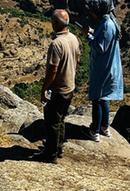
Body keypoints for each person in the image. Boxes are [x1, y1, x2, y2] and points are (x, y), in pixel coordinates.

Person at [34, 9, 80, 164]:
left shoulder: (56, 43)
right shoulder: (73, 38)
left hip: (58, 89)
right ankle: (58, 149)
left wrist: (44, 89)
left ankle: (50, 154)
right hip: (70, 87)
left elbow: (53, 69)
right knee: (61, 120)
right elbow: (78, 59)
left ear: (55, 23)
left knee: (52, 122)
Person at [80, 0, 124, 142]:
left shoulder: (107, 25)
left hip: (103, 68)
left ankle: (95, 131)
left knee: (97, 100)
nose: (92, 13)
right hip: (109, 67)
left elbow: (100, 47)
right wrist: (94, 32)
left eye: (93, 10)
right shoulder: (110, 22)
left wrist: (88, 36)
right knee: (104, 98)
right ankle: (105, 127)